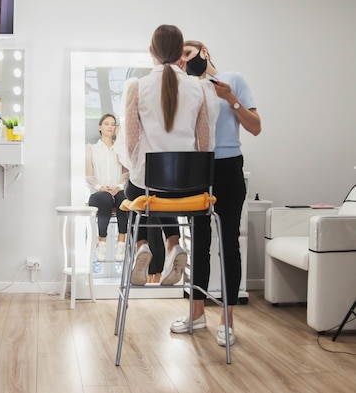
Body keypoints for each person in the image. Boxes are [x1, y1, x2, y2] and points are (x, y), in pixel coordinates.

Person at [173, 39, 261, 346]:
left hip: (228, 167)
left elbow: (255, 127)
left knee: (229, 243)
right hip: (197, 167)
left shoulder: (233, 79)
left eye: (186, 54)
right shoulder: (187, 89)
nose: (183, 61)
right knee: (198, 242)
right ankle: (196, 314)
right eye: (179, 58)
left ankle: (227, 318)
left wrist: (231, 98)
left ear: (204, 51)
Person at [119, 24, 218, 290]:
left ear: (151, 50)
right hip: (191, 189)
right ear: (181, 54)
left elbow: (131, 142)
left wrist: (139, 167)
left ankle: (142, 246)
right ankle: (174, 244)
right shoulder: (199, 89)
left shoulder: (138, 87)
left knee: (136, 190)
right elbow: (205, 143)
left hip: (150, 184)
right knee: (163, 191)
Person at [85, 114, 129, 263]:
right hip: (99, 193)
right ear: (100, 127)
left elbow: (126, 173)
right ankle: (102, 242)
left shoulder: (120, 150)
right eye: (106, 123)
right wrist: (100, 187)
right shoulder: (91, 149)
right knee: (104, 198)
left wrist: (118, 187)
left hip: (118, 191)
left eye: (113, 124)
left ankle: (121, 243)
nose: (110, 126)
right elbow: (88, 176)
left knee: (123, 197)